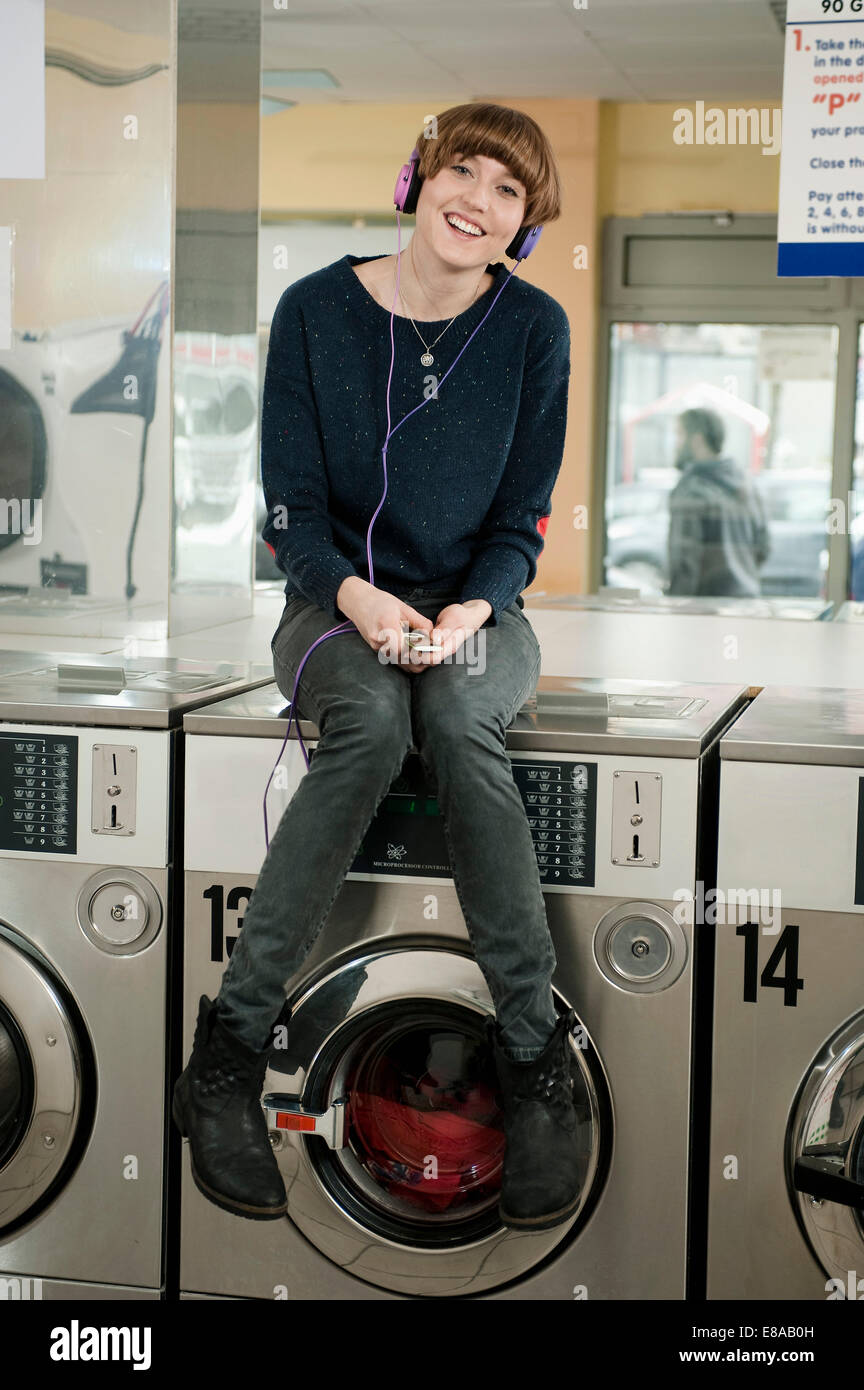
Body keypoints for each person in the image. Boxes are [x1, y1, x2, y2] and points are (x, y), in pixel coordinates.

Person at [172, 102, 582, 1232]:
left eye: (511, 192)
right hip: (330, 608)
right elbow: (291, 512)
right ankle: (226, 1055)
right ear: (418, 176)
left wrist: (463, 615)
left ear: (527, 226)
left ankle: (535, 1062)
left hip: (475, 614)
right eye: (467, 170)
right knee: (370, 722)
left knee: (457, 721)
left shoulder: (535, 329)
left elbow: (522, 521)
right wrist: (358, 597)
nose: (482, 200)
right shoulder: (314, 311)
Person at [666, 407, 770, 596]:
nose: (675, 444)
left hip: (705, 613)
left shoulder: (691, 491)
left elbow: (684, 565)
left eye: (679, 435)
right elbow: (763, 548)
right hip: (747, 604)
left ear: (697, 440)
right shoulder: (747, 485)